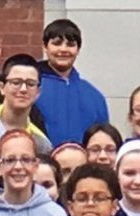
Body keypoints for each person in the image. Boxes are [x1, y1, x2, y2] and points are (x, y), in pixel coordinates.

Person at [34, 19, 107, 148]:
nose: (63, 49)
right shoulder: (30, 88)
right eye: (57, 43)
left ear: (78, 49)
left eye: (70, 44)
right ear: (45, 47)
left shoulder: (94, 96)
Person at [0, 55, 53, 153]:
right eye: (16, 82)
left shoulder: (42, 144)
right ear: (2, 88)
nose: (23, 89)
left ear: (38, 92)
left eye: (31, 84)